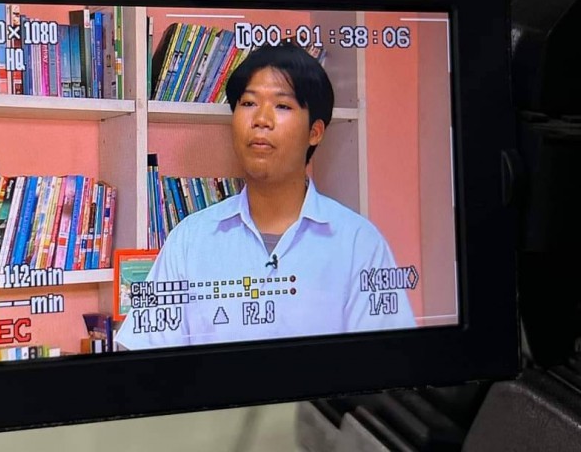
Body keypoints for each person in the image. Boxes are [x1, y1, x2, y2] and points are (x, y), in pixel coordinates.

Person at [116, 42, 416, 351]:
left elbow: (390, 363)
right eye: (248, 103)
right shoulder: (189, 240)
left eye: (282, 106)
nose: (261, 119)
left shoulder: (359, 243)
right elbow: (141, 353)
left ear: (315, 132)